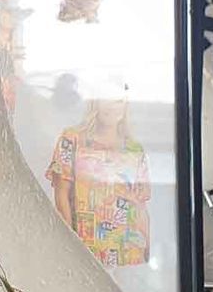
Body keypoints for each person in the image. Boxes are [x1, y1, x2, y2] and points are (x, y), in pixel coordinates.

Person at [46, 96, 151, 268]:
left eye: (118, 100)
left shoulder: (134, 149)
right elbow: (61, 194)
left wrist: (146, 247)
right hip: (84, 247)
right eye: (106, 99)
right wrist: (70, 242)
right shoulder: (72, 139)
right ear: (95, 102)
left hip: (129, 249)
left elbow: (141, 204)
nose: (112, 106)